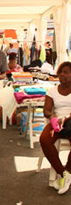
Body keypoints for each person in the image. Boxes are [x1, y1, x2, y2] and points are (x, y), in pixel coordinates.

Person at [40, 62, 71, 194]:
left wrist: (68, 117)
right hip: (57, 123)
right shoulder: (52, 91)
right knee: (44, 139)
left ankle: (68, 172)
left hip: (70, 122)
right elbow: (46, 110)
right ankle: (64, 174)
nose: (62, 75)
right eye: (60, 72)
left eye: (66, 72)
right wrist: (52, 116)